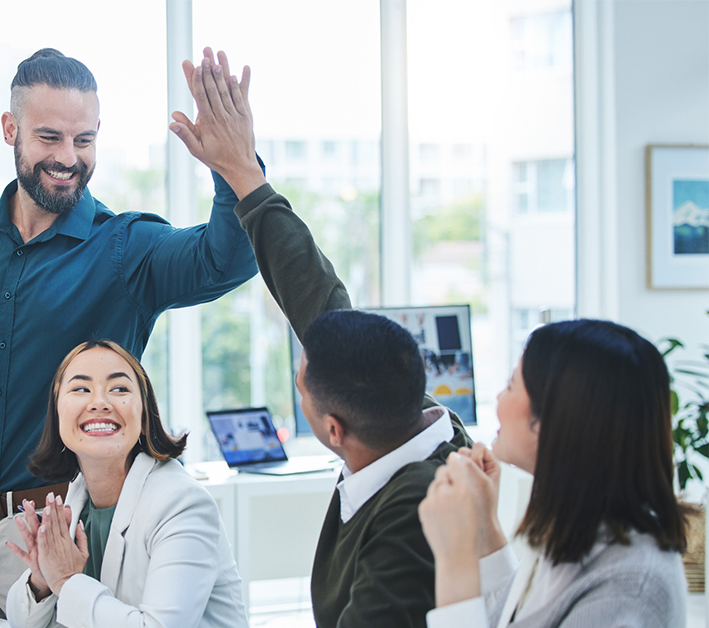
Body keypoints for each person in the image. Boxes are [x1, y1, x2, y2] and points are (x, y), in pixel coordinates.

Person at [0, 47, 257, 614]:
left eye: (84, 141)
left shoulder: (126, 248)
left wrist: (235, 166)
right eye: (49, 137)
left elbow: (226, 259)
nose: (68, 158)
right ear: (11, 129)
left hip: (49, 530)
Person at [169, 46, 472, 627]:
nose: (307, 356)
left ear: (333, 429)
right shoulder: (417, 423)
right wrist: (243, 173)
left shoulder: (413, 516)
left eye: (303, 387)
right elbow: (320, 301)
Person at [419, 320, 688, 627]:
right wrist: (484, 526)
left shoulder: (628, 590)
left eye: (510, 385)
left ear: (555, 418)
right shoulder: (577, 531)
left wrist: (455, 558)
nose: (498, 399)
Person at [3, 340, 248, 627]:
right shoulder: (78, 495)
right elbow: (22, 622)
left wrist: (66, 581)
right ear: (56, 411)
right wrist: (42, 581)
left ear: (144, 412)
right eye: (80, 389)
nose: (99, 403)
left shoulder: (182, 503)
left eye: (119, 389)